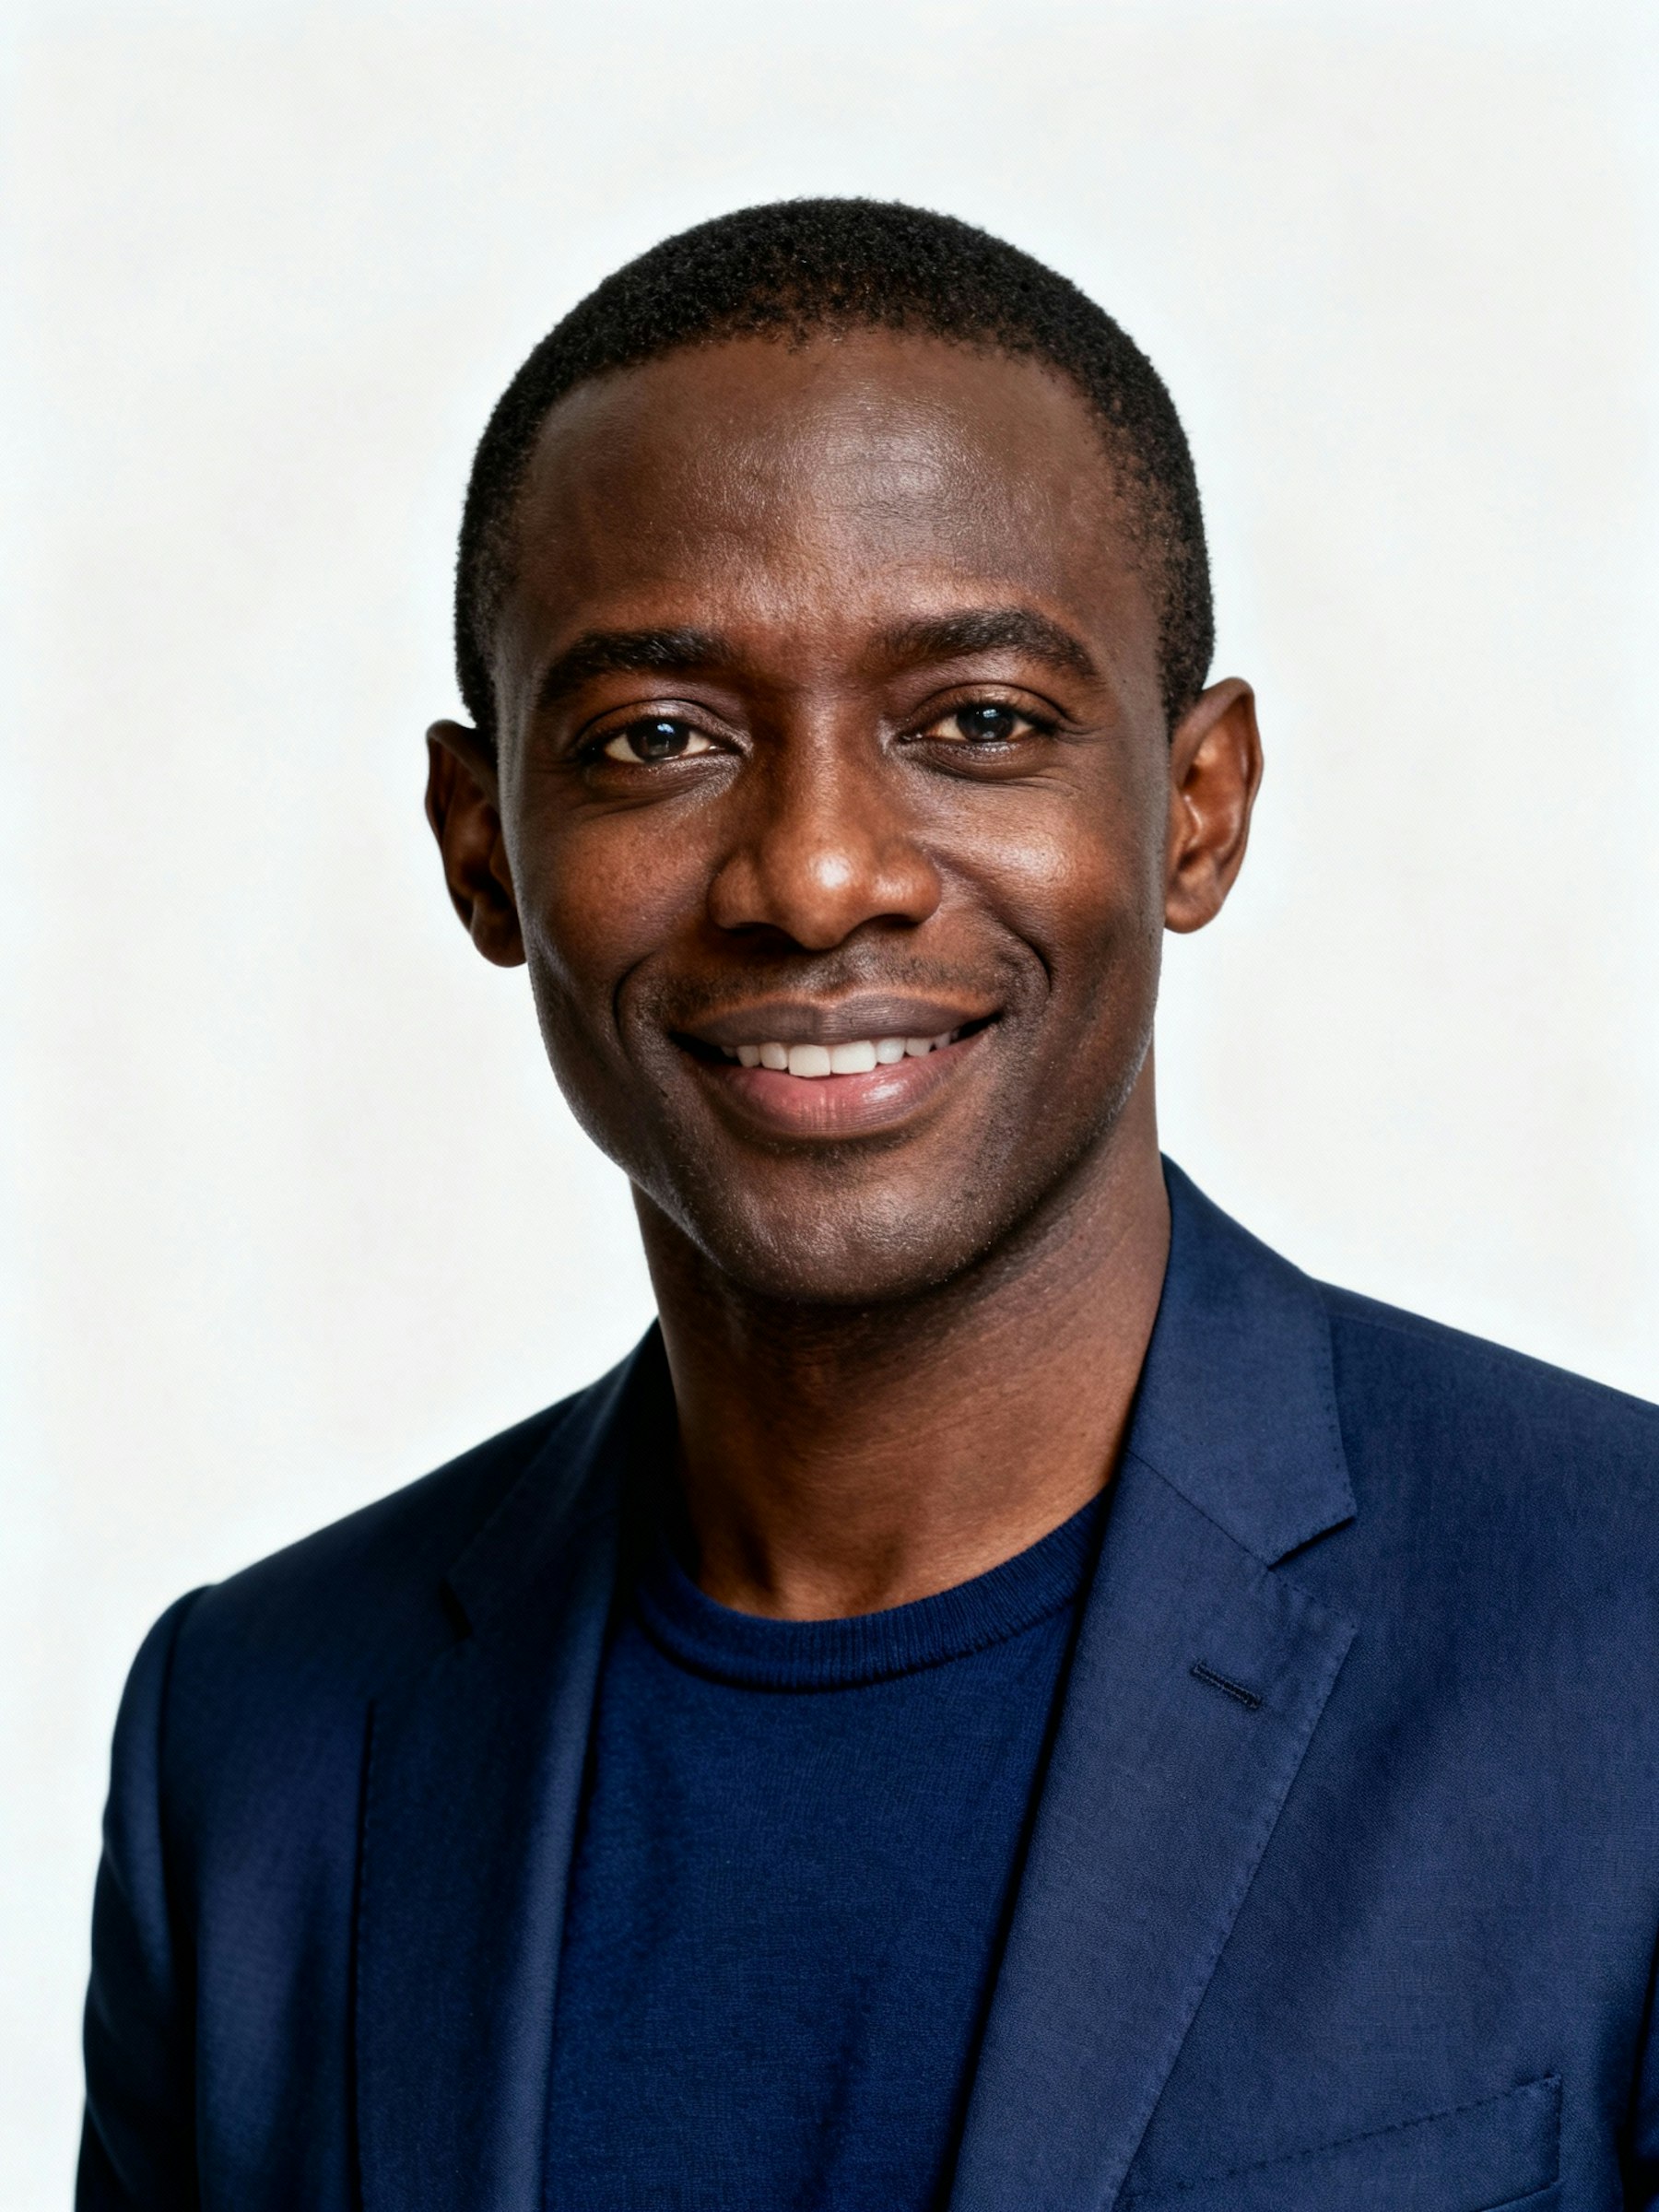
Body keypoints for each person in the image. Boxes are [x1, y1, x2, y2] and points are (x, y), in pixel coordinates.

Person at [78, 198, 1659, 2212]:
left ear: (1198, 805)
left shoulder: (1624, 1651)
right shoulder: (261, 1742)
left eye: (977, 724)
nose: (817, 874)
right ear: (486, 854)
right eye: (659, 739)